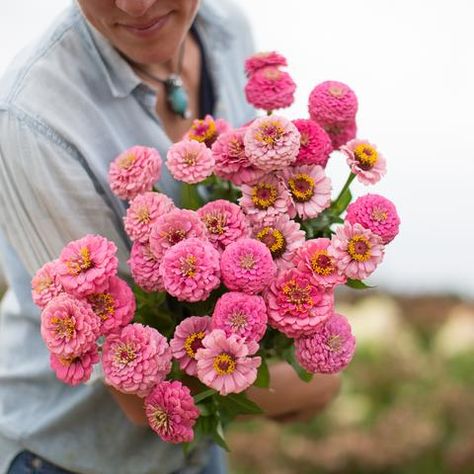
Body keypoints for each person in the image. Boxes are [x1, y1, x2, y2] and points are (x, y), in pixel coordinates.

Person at [0, 1, 341, 473]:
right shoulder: (32, 117)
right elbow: (139, 394)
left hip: (197, 447)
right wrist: (303, 385)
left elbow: (261, 208)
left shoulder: (225, 31)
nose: (135, 4)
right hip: (66, 456)